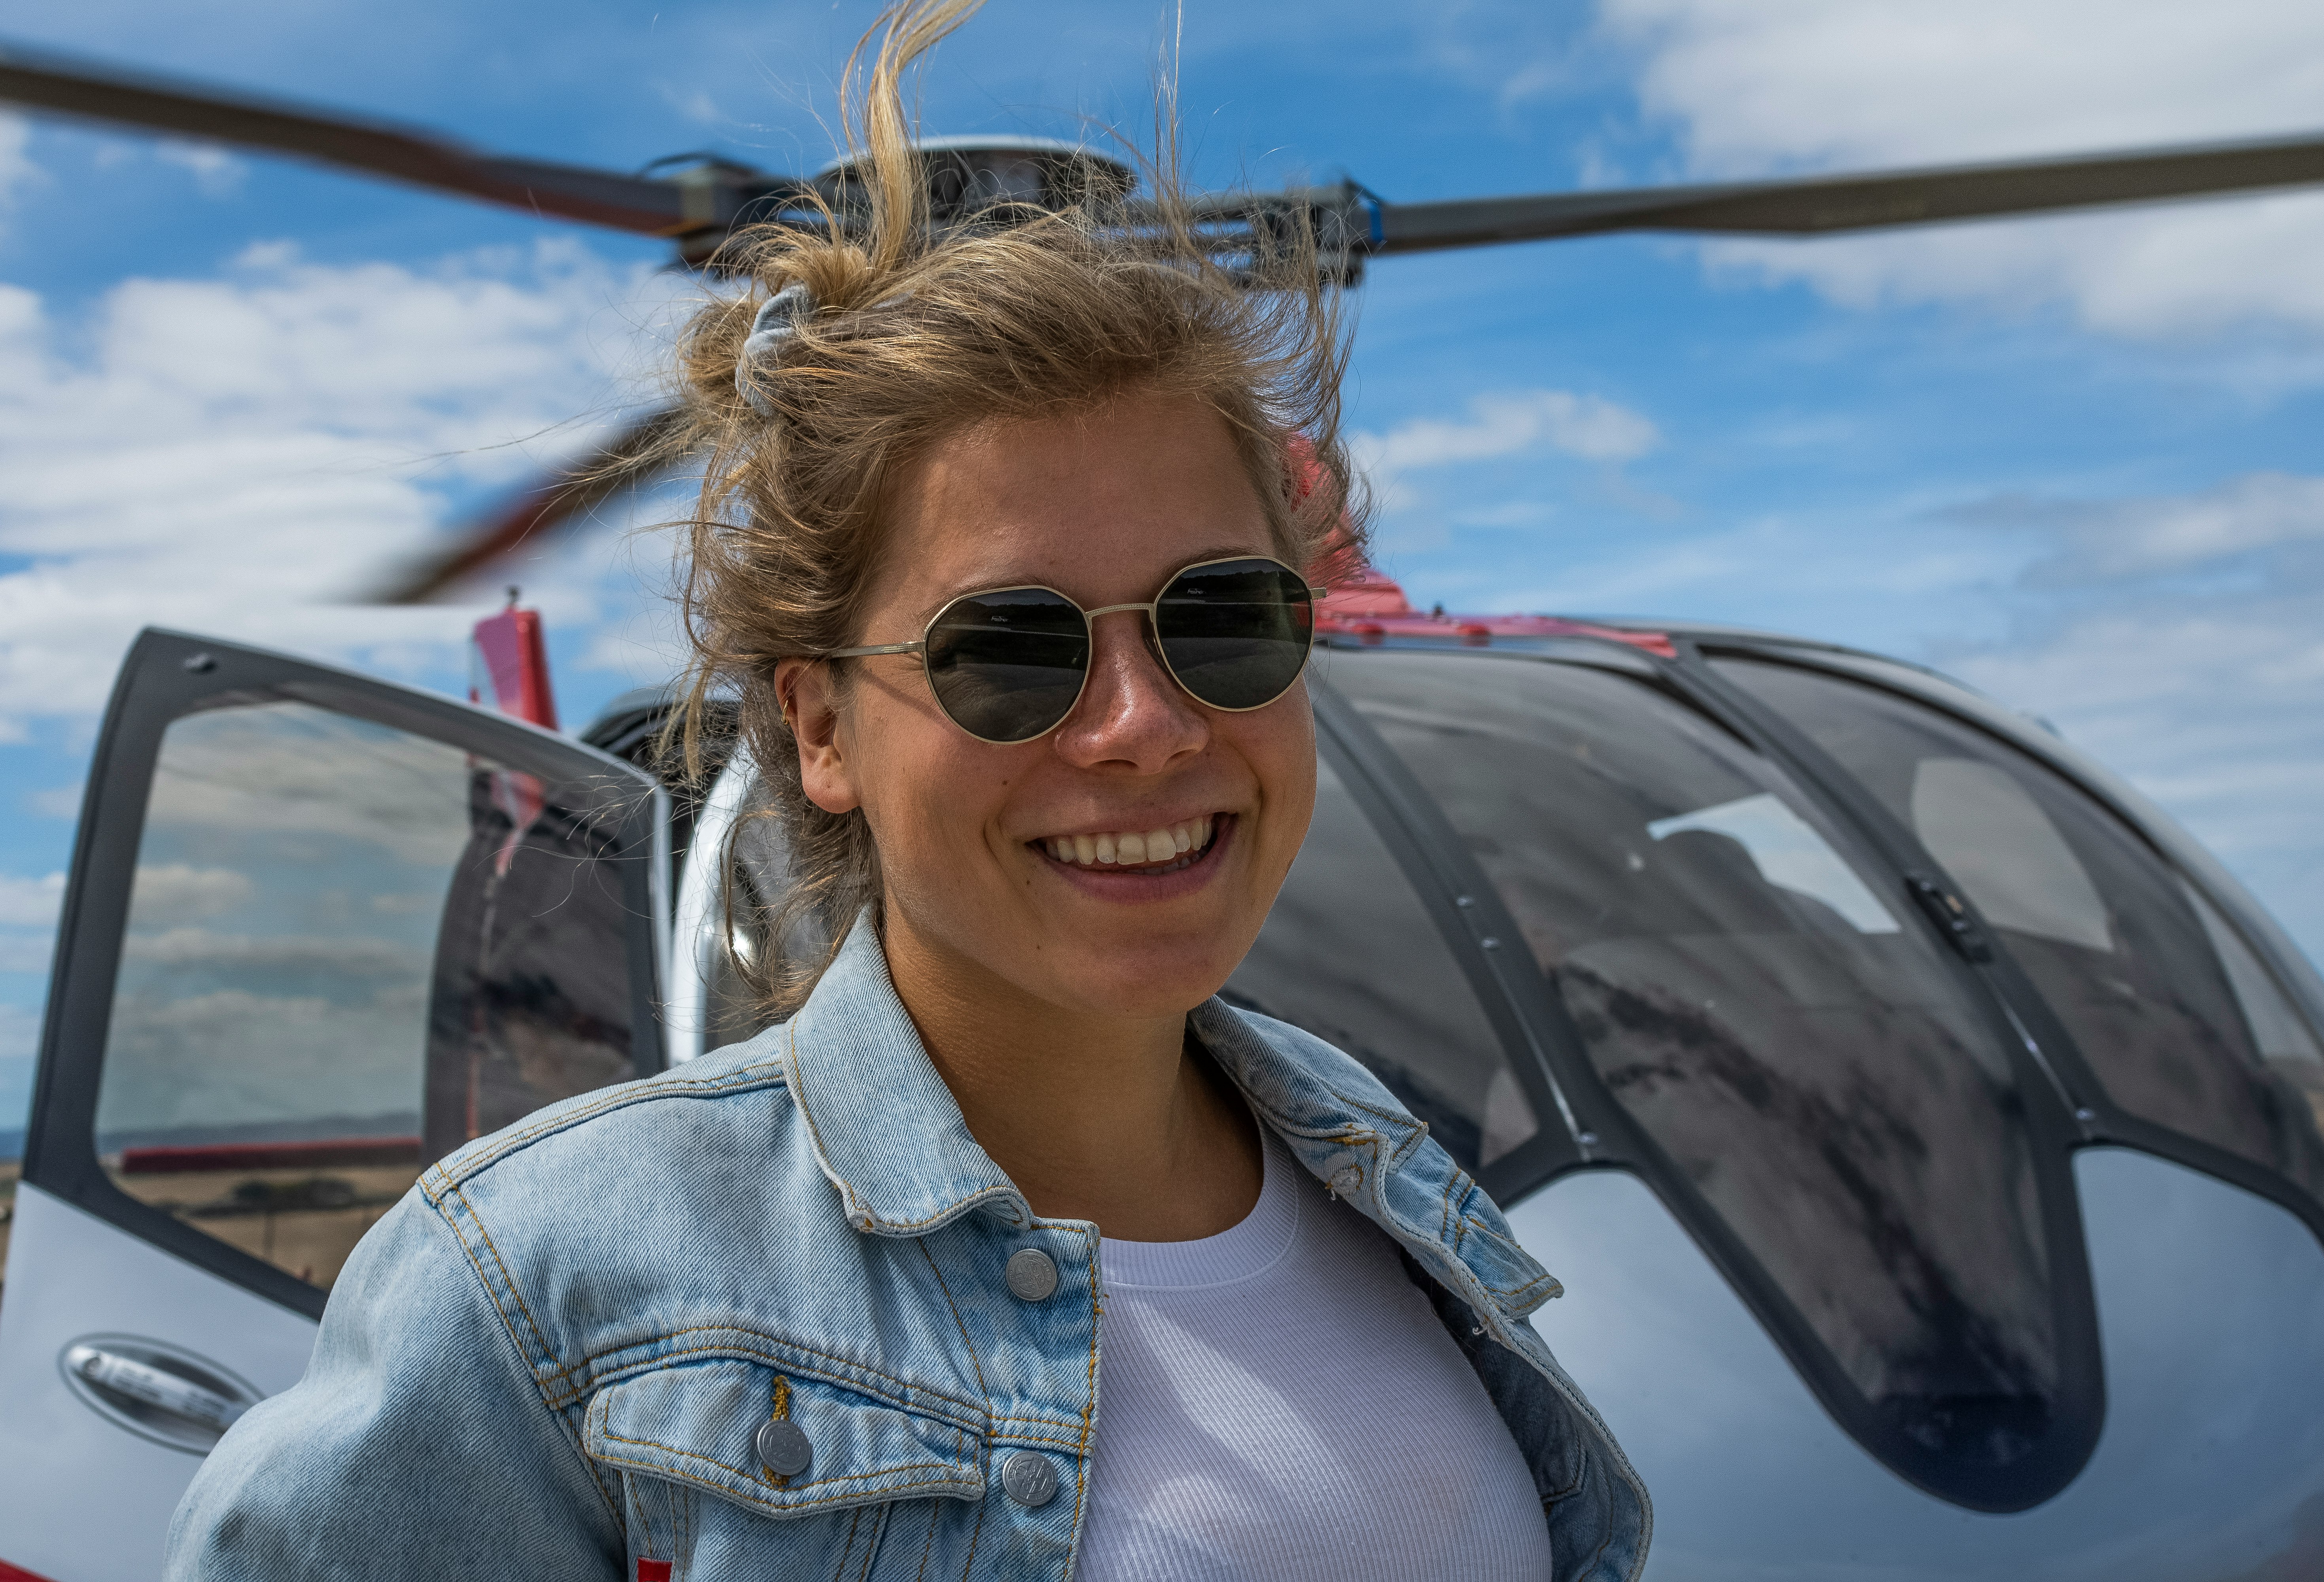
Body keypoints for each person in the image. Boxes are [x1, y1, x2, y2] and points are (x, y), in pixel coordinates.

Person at [165, 3, 1649, 1576]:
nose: (1145, 726)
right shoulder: (542, 1296)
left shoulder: (1383, 1168)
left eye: (1222, 618)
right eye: (1010, 652)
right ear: (818, 724)